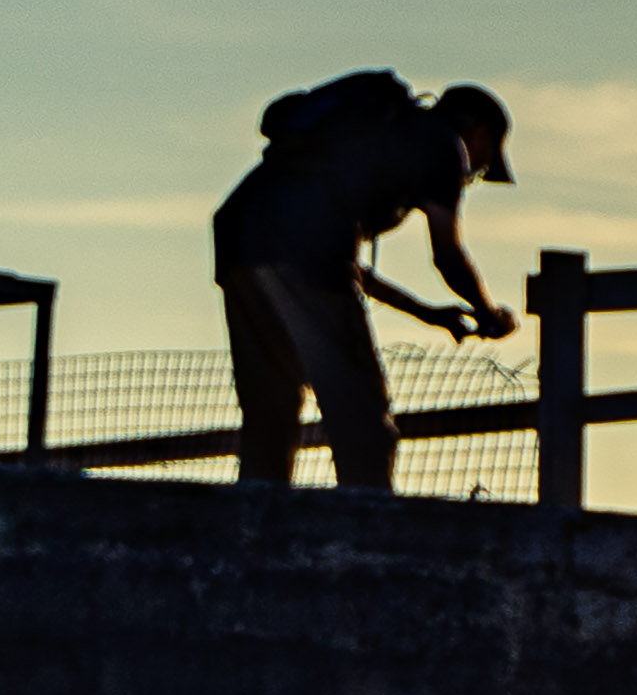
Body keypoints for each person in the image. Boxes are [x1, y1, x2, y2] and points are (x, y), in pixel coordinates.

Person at [213, 71, 516, 489]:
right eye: (484, 157)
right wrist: (491, 313)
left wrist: (426, 313)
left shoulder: (369, 141)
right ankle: (368, 534)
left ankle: (255, 533)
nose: (476, 168)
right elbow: (448, 256)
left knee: (271, 410)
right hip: (303, 254)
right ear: (479, 133)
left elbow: (349, 267)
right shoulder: (442, 145)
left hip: (241, 240)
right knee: (363, 420)